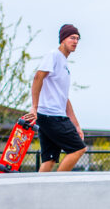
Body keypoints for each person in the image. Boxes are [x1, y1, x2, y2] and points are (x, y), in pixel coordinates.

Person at [25, 24, 86, 172]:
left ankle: (39, 192)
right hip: (52, 115)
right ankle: (58, 185)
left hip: (48, 116)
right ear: (63, 39)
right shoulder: (54, 55)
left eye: (77, 39)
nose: (75, 41)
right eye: (72, 38)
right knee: (79, 149)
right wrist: (34, 107)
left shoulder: (64, 64)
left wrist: (76, 125)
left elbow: (64, 98)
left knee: (49, 160)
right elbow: (38, 77)